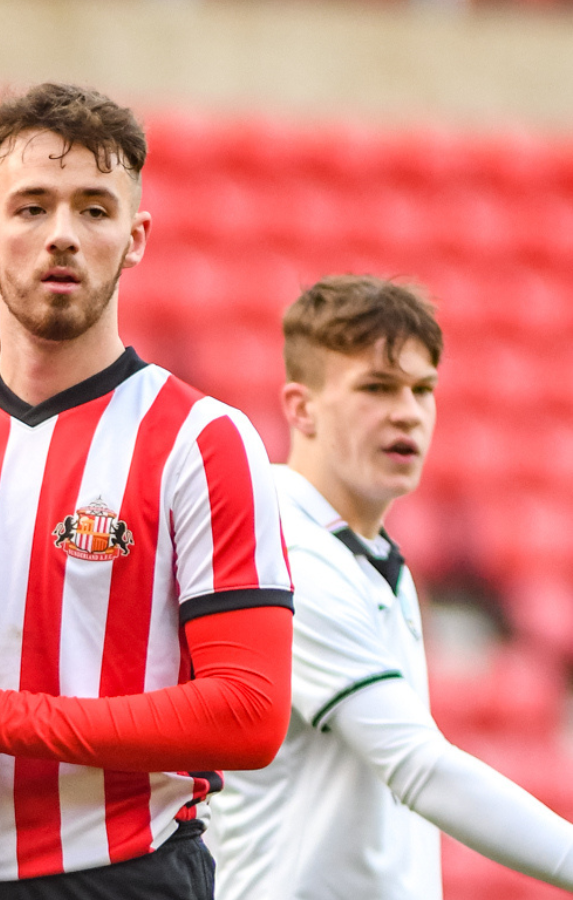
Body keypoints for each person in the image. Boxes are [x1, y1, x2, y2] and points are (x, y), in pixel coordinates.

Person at [0, 83, 294, 900]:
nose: (61, 236)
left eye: (93, 209)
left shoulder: (204, 441)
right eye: (32, 207)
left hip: (123, 876)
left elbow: (250, 714)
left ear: (136, 237)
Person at [206, 275, 573, 898]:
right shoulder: (288, 556)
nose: (407, 410)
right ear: (301, 407)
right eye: (376, 388)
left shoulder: (368, 555)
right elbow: (419, 767)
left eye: (422, 389)